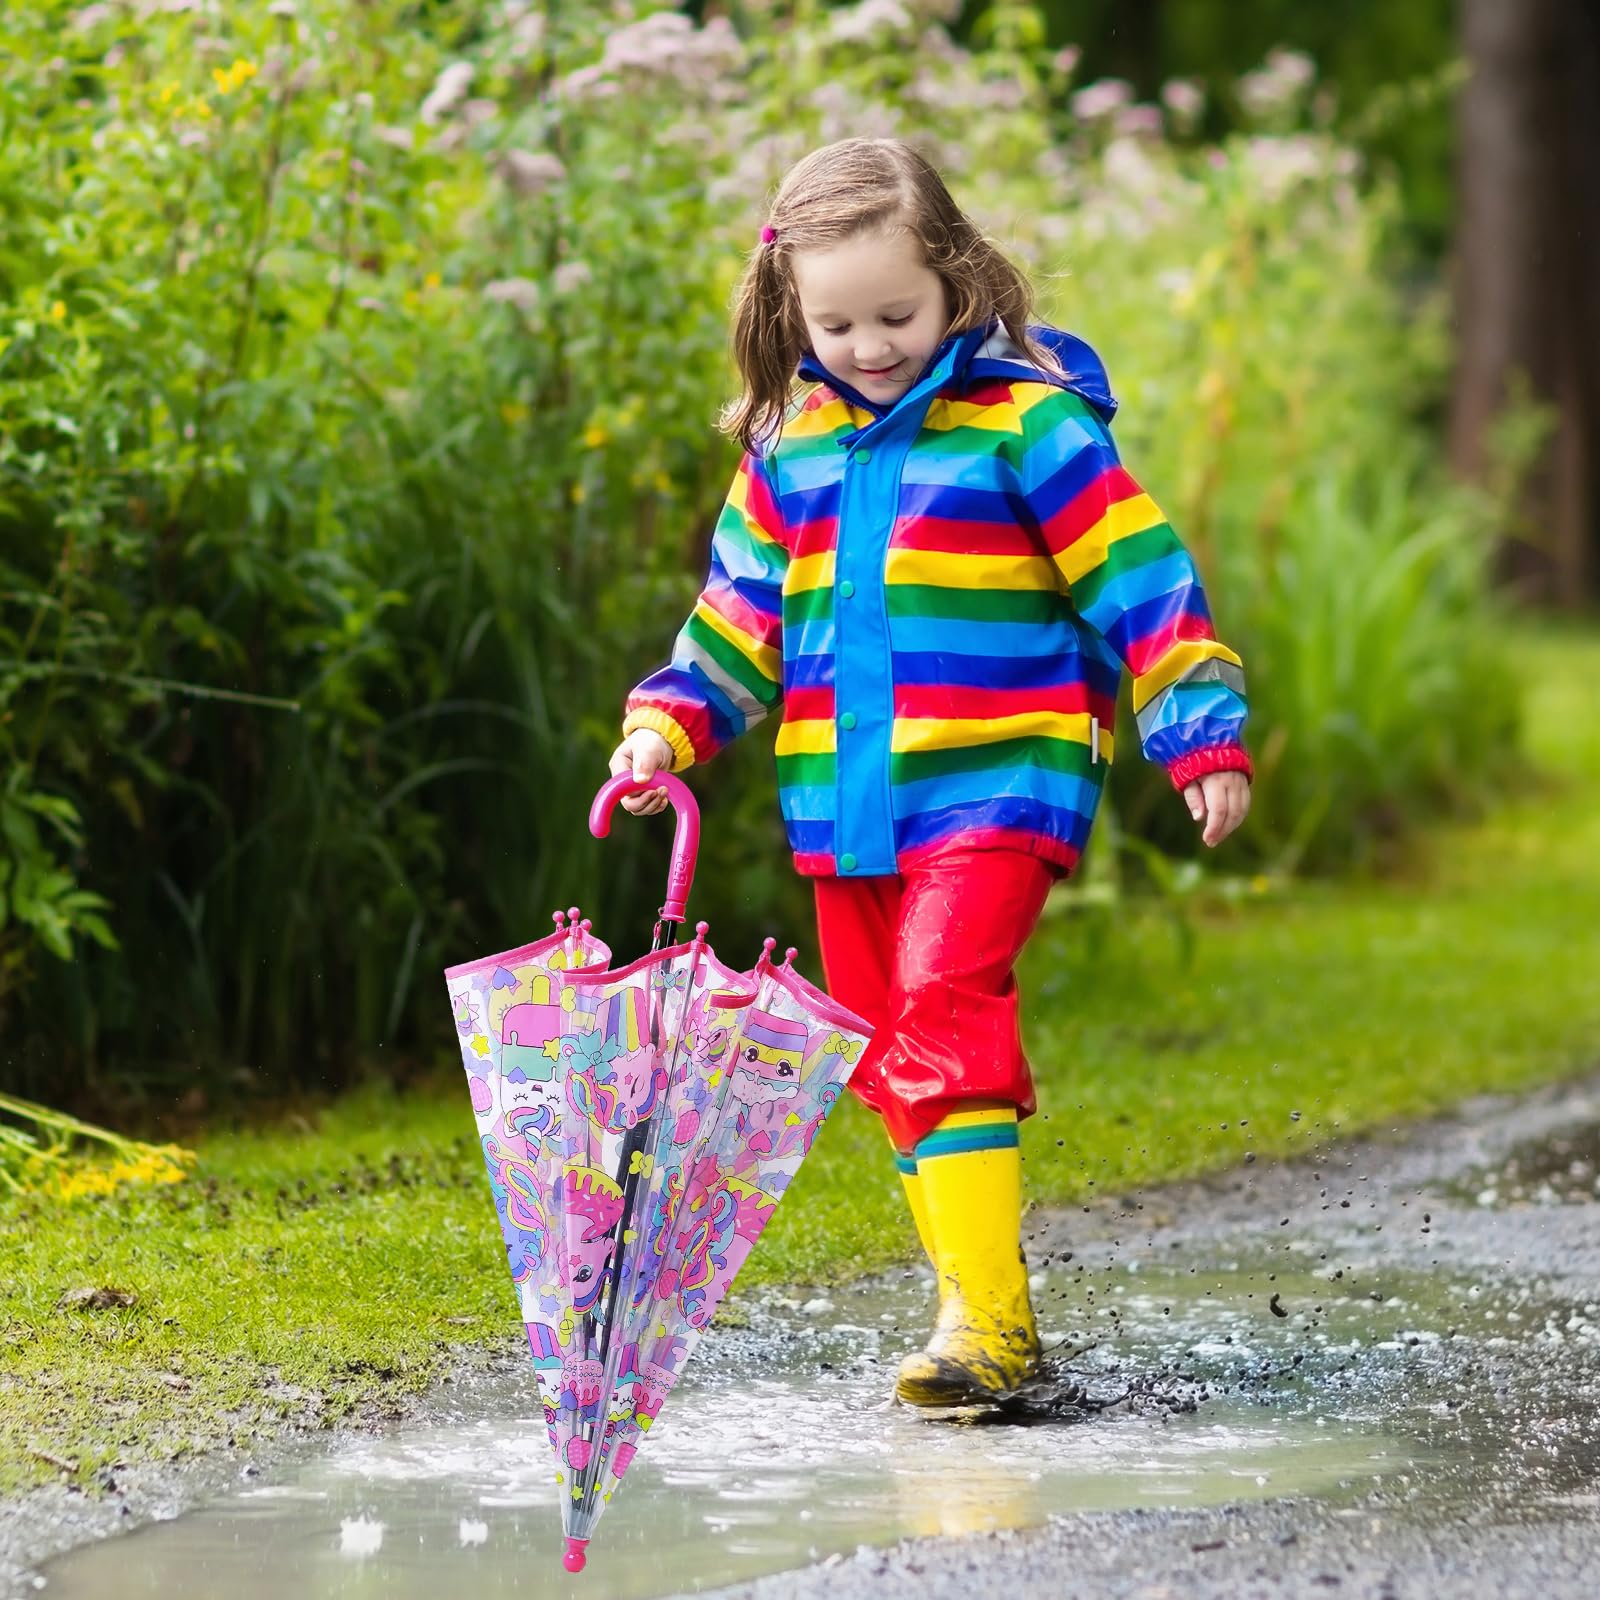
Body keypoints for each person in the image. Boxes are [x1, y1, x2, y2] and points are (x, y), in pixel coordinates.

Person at [608, 137, 1252, 1410]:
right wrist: (664, 728)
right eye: (836, 322)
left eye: (896, 313)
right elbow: (737, 621)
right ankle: (979, 1305)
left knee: (943, 999)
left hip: (1000, 784)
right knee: (888, 1048)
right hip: (846, 805)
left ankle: (994, 1333)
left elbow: (1141, 580)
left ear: (957, 280)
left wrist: (1198, 729)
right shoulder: (787, 447)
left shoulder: (1030, 425)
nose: (869, 345)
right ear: (791, 311)